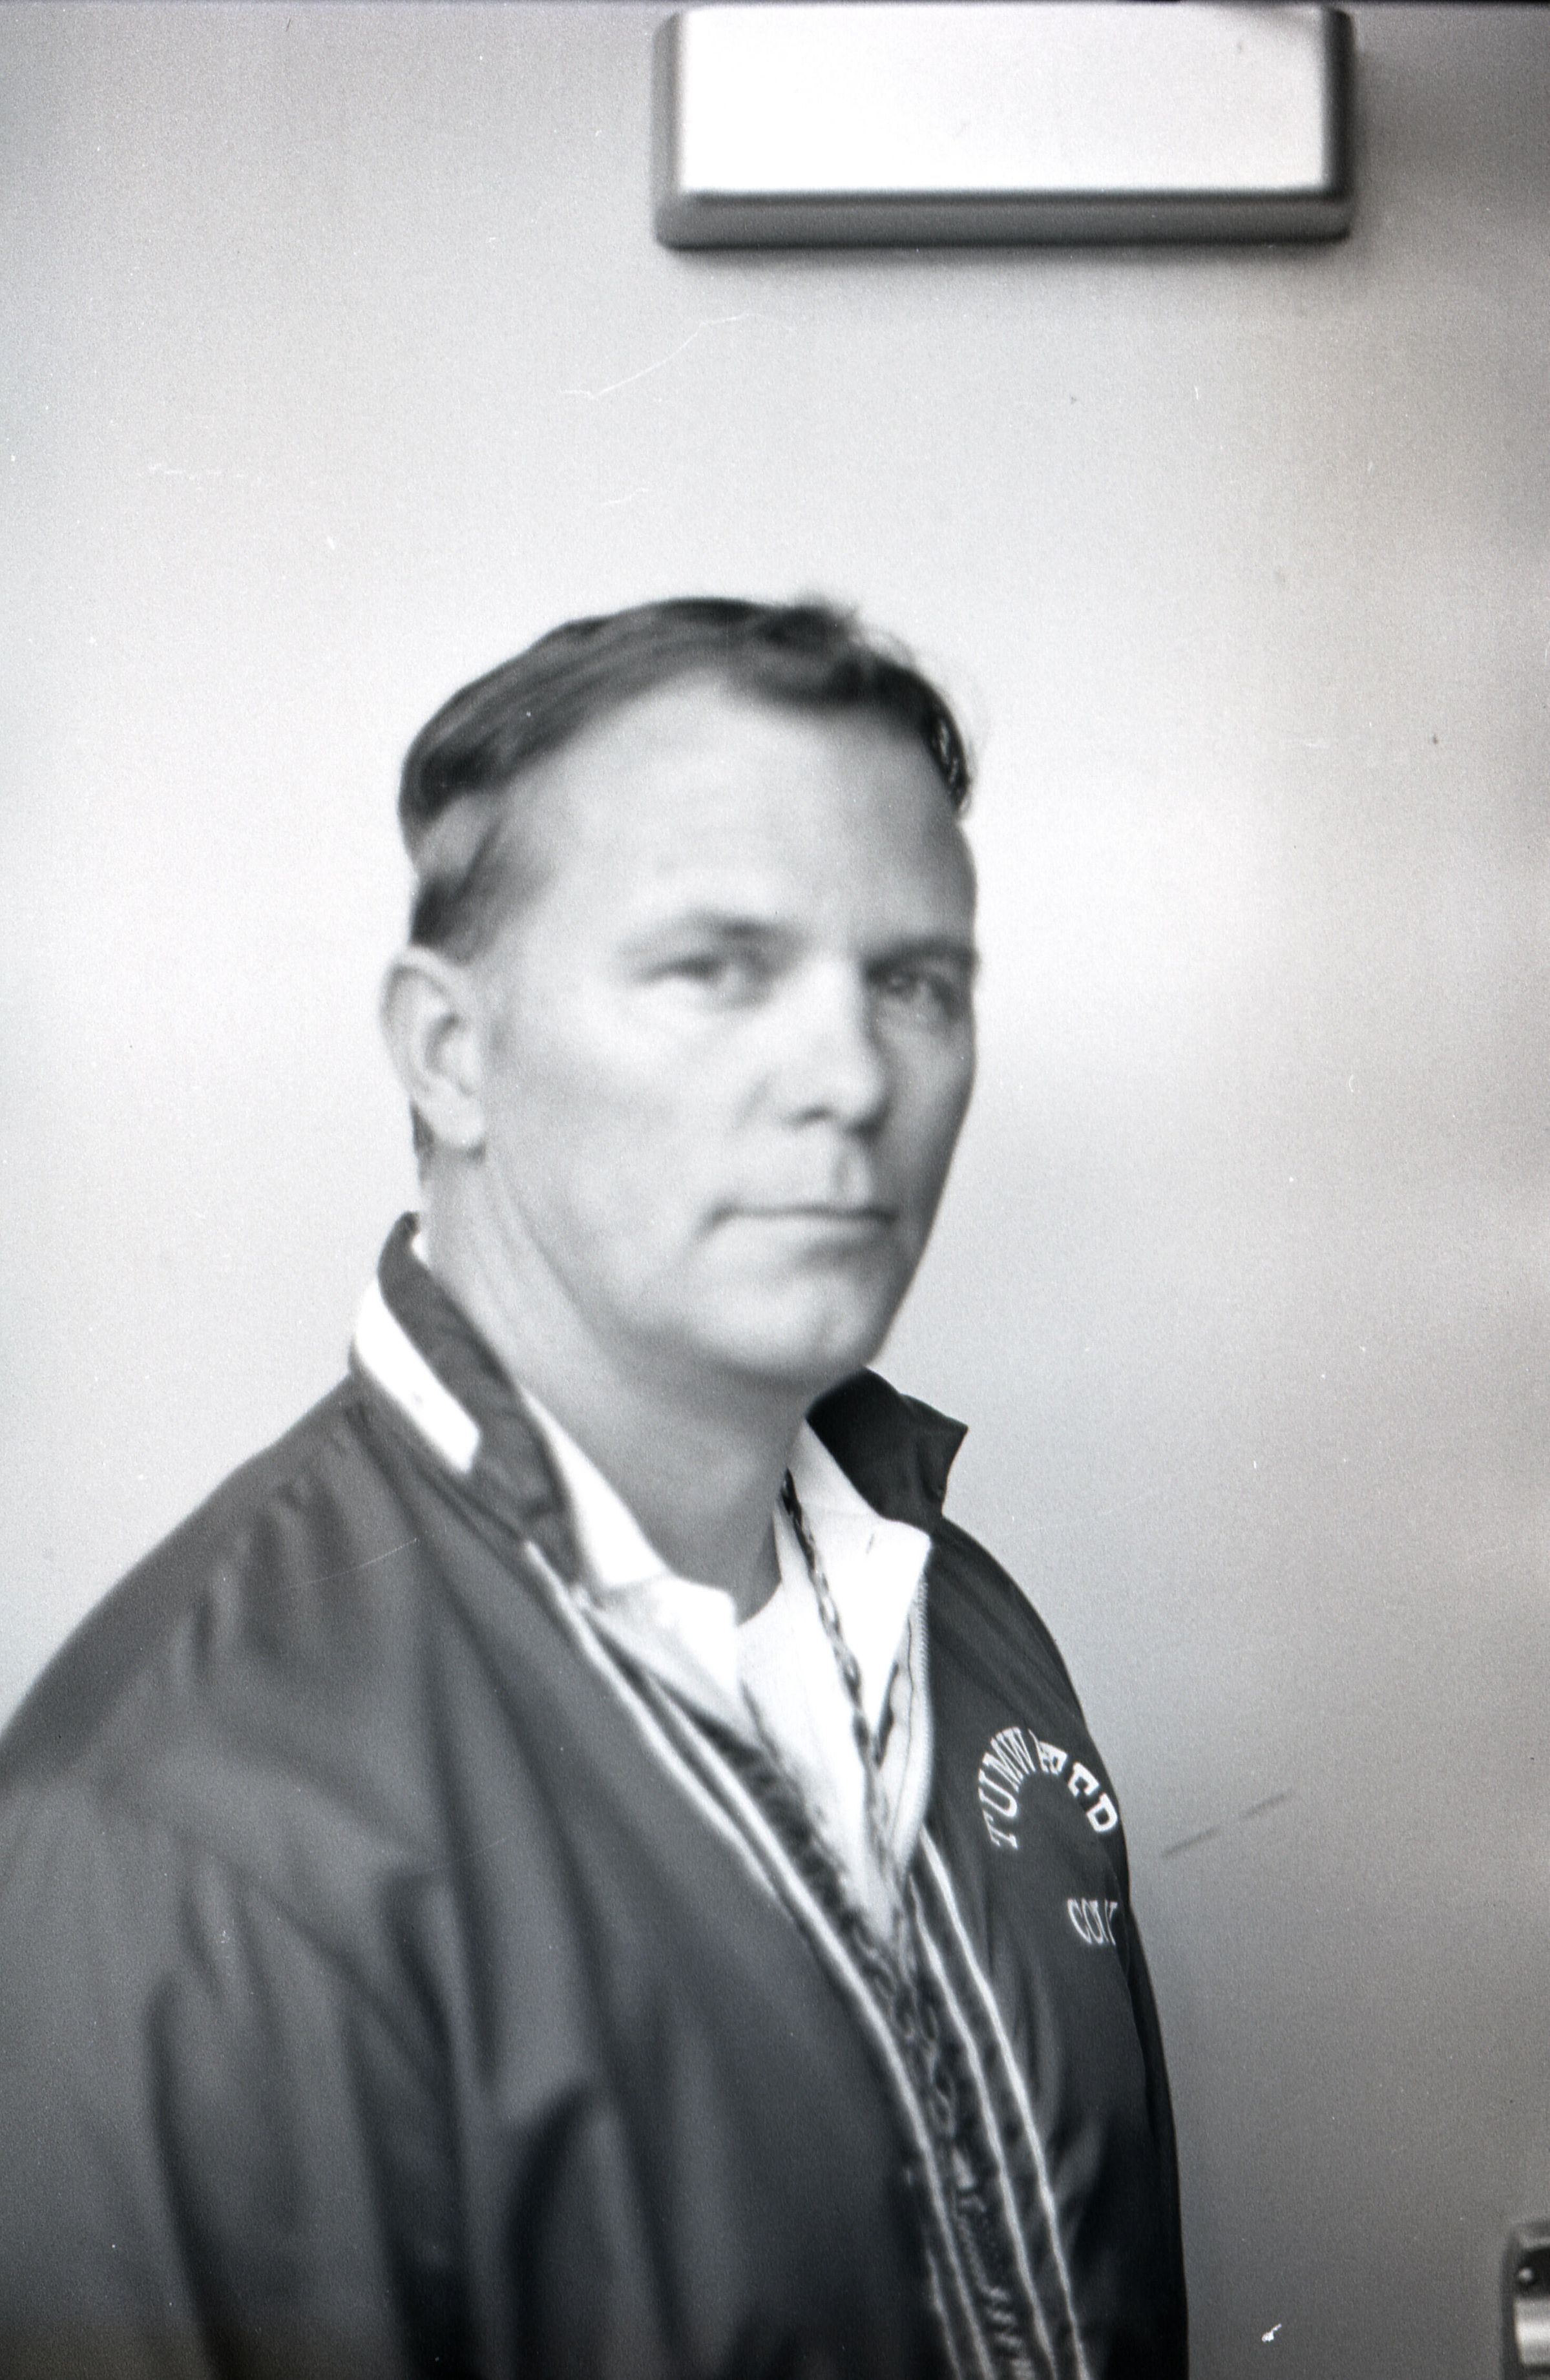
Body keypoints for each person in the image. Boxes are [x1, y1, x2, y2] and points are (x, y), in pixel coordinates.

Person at [0, 599, 1187, 2380]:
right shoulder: (180, 1835)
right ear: (449, 1051)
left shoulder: (959, 1608)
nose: (853, 1078)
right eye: (716, 967)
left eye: (914, 982)